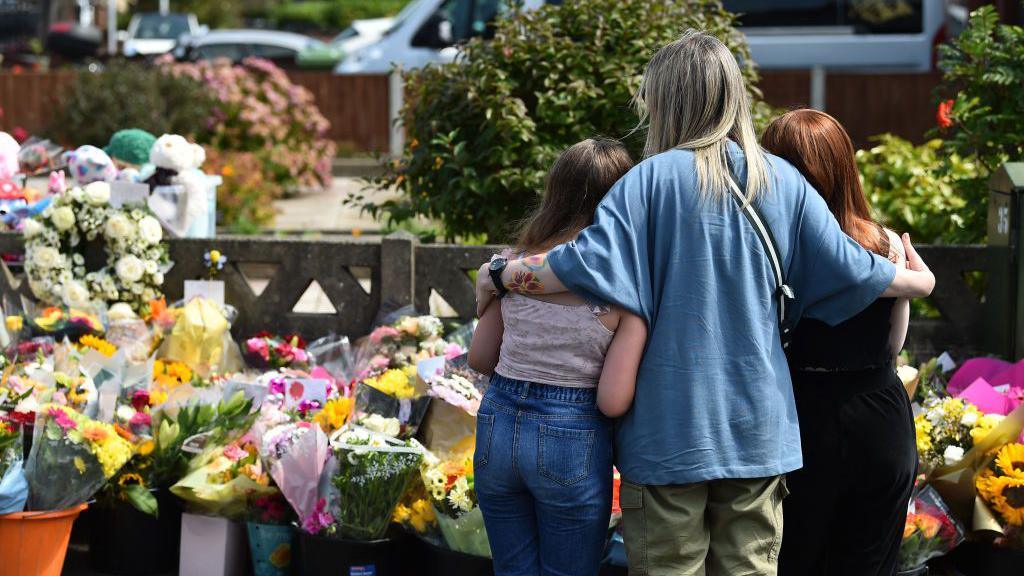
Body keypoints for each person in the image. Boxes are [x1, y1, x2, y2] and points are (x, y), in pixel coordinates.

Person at [475, 30, 935, 576]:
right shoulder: (781, 180)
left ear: (667, 100)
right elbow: (854, 269)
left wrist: (501, 275)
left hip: (666, 434)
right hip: (760, 432)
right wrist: (918, 284)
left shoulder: (644, 184)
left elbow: (574, 269)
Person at [467, 138, 649, 576]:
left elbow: (479, 357)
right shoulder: (624, 292)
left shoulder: (511, 269)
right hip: (572, 434)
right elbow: (612, 401)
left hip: (498, 423)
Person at [762, 109, 917, 576]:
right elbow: (896, 341)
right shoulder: (886, 243)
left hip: (802, 418)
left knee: (795, 559)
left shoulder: (773, 247)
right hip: (880, 415)